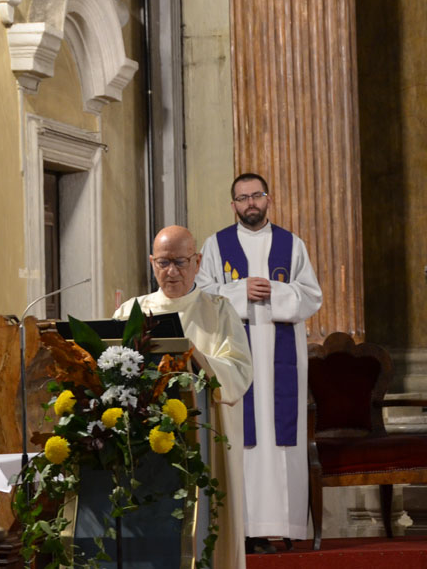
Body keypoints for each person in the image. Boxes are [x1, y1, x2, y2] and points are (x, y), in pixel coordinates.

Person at [196, 173, 322, 552]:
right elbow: (202, 294)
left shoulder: (292, 244)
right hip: (236, 356)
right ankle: (246, 529)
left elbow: (311, 295)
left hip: (282, 356)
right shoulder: (216, 245)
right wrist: (240, 290)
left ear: (268, 199)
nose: (250, 203)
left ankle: (284, 525)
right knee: (243, 439)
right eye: (242, 198)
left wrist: (275, 291)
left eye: (256, 195)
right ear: (233, 204)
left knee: (280, 440)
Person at [115, 225, 254, 569]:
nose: (171, 271)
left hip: (201, 437)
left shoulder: (218, 311)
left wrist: (197, 360)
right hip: (143, 440)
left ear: (197, 262)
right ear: (152, 262)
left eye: (180, 262)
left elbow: (239, 370)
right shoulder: (132, 311)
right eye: (163, 263)